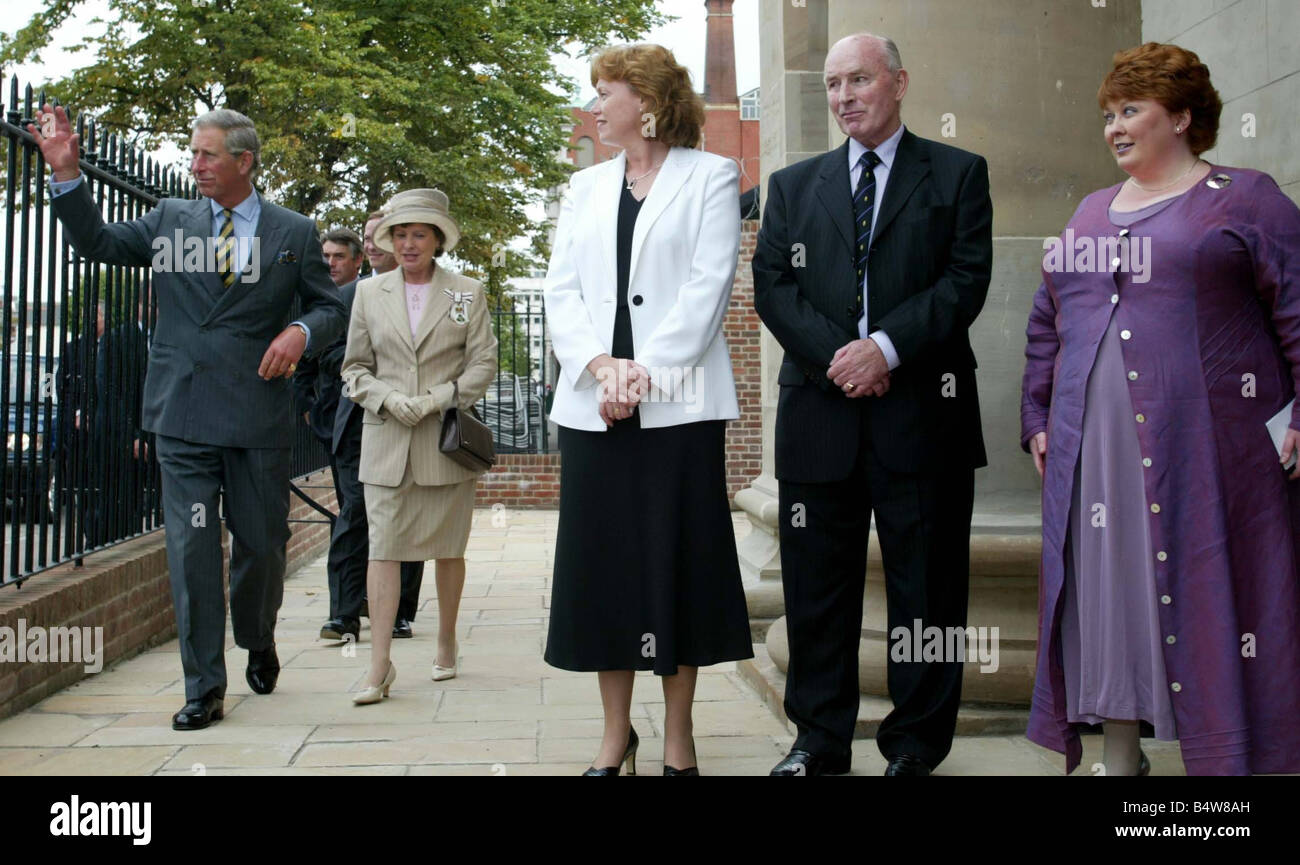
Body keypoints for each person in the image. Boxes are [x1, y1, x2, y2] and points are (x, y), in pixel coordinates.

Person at [1020, 42, 1300, 776]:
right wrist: (1039, 417)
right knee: (1111, 595)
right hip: (1095, 452)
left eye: (1131, 110)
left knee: (1215, 592)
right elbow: (1046, 322)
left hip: (1209, 451)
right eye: (1108, 114)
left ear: (1180, 116)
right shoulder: (1086, 213)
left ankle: (1231, 760)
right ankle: (1120, 758)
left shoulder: (1246, 196)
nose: (1114, 127)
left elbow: (1299, 308)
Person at [32, 105, 347, 730]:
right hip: (181, 415)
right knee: (192, 547)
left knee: (260, 547)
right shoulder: (171, 219)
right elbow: (97, 242)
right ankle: (204, 685)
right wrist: (67, 177)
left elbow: (329, 307)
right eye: (192, 153)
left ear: (244, 161)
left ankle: (257, 634)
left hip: (256, 417)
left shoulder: (293, 231)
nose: (194, 165)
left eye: (207, 155)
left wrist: (299, 331)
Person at [752, 32, 992, 776]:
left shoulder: (956, 174)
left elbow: (964, 280)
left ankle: (917, 744)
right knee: (817, 593)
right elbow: (773, 287)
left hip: (925, 416)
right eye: (832, 84)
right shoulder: (793, 186)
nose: (843, 96)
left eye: (858, 79)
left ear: (899, 82)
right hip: (820, 417)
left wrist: (884, 348)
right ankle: (817, 741)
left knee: (930, 595)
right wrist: (842, 359)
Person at [542, 43, 753, 776]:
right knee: (605, 573)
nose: (597, 106)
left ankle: (678, 735)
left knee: (676, 567)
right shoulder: (587, 187)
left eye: (607, 93)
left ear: (649, 101)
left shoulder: (712, 176)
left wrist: (645, 375)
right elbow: (559, 289)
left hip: (679, 410)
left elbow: (708, 286)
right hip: (594, 406)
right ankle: (614, 734)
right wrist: (600, 367)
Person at [340, 188, 497, 704]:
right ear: (389, 239)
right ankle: (378, 665)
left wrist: (435, 399)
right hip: (385, 442)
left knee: (448, 551)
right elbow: (354, 369)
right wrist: (385, 398)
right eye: (400, 234)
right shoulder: (368, 293)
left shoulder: (467, 293)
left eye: (419, 235)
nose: (409, 244)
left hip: (443, 442)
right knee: (382, 550)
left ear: (437, 240)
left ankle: (447, 639)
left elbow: (482, 365)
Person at [318, 214, 429, 643]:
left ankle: (399, 610)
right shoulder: (348, 296)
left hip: (412, 420)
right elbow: (325, 358)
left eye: (388, 235)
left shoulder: (430, 295)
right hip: (358, 425)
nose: (379, 244)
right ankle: (344, 615)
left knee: (407, 515)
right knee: (355, 515)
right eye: (371, 237)